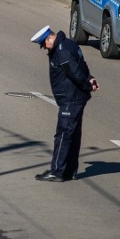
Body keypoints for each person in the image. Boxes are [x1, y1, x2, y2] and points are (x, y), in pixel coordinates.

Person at [31, 25, 100, 182]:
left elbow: (74, 73)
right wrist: (90, 78)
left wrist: (88, 84)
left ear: (49, 39)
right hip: (77, 98)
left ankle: (57, 171)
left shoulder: (61, 52)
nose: (44, 48)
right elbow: (82, 65)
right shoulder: (69, 44)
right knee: (73, 135)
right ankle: (70, 170)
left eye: (43, 44)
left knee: (62, 135)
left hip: (70, 98)